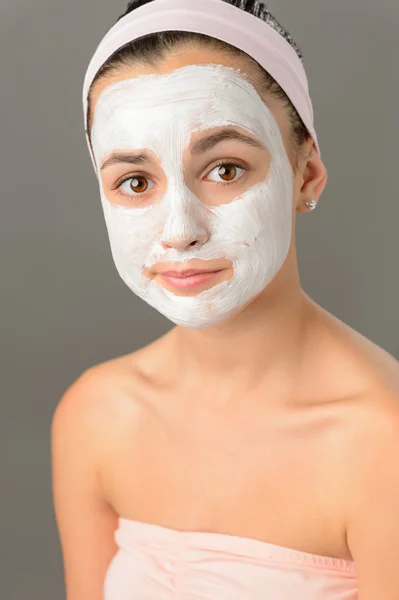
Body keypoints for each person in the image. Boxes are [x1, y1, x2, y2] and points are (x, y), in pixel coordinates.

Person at [51, 0, 399, 598]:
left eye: (226, 169)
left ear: (306, 174)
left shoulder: (381, 443)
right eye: (135, 182)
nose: (180, 229)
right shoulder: (96, 416)